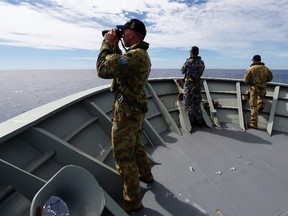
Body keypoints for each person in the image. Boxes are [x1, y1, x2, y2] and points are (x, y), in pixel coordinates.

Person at [96, 19, 154, 212]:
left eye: (123, 32)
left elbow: (103, 69)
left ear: (131, 33)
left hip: (127, 115)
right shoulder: (138, 55)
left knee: (123, 156)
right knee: (136, 145)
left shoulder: (135, 55)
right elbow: (122, 66)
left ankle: (132, 200)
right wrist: (115, 47)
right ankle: (146, 175)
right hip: (134, 111)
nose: (121, 35)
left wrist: (106, 43)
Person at [244, 55, 273, 129]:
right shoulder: (266, 69)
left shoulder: (251, 68)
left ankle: (254, 123)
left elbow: (246, 80)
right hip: (263, 88)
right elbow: (270, 78)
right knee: (261, 97)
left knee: (253, 106)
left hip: (254, 88)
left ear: (254, 60)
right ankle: (261, 106)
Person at [181, 46, 205, 133]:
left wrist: (186, 62)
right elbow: (201, 72)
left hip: (190, 85)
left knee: (189, 103)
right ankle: (199, 122)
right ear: (198, 53)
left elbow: (183, 71)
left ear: (191, 52)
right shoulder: (202, 62)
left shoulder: (188, 62)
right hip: (198, 85)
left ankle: (190, 123)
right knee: (197, 103)